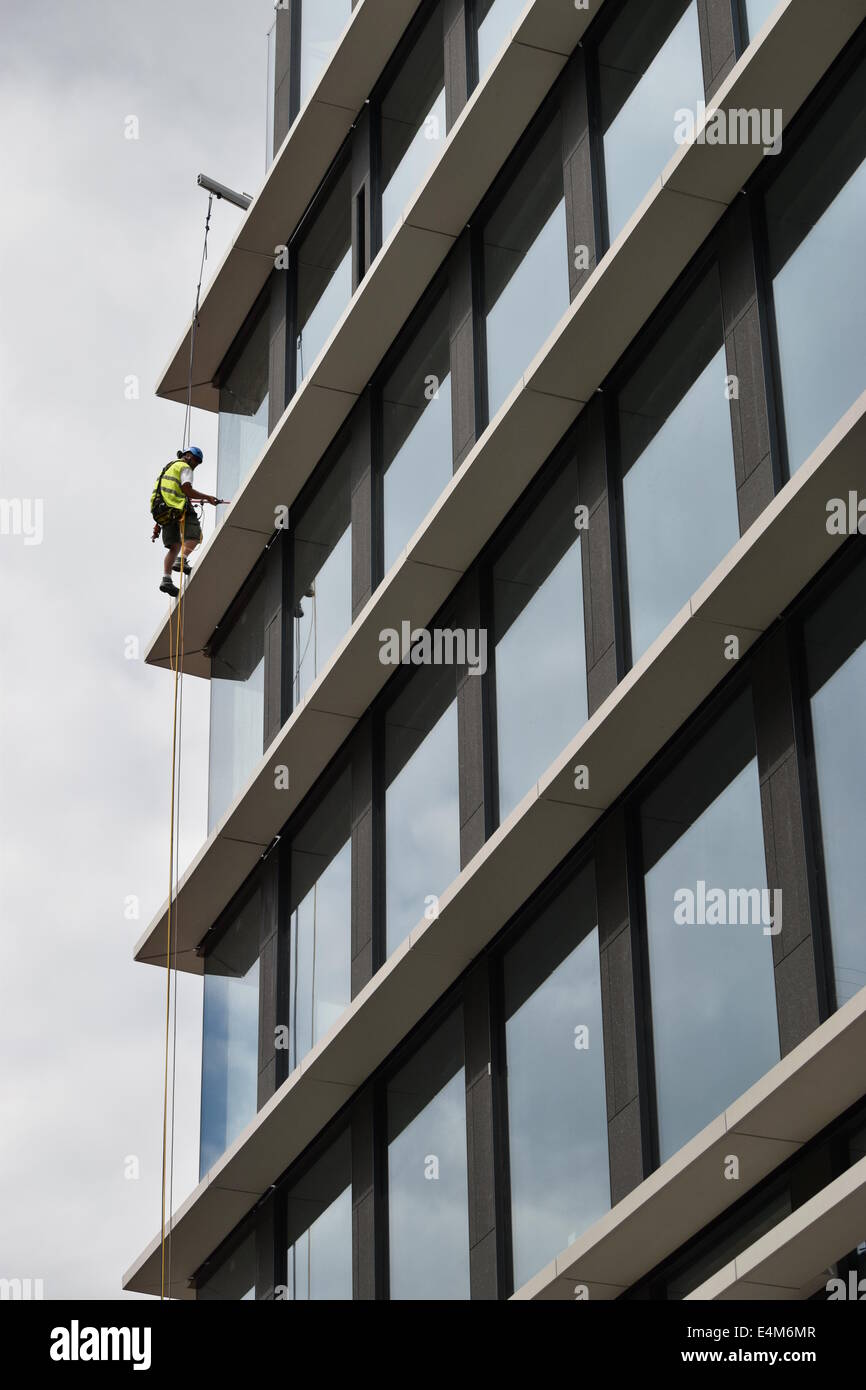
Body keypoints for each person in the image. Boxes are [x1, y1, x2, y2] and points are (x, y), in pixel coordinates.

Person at [150, 448, 224, 596]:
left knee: (175, 545)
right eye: (196, 461)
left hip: (161, 509)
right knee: (196, 536)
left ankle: (166, 579)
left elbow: (166, 492)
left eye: (198, 463)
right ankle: (181, 560)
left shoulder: (168, 468)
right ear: (188, 456)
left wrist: (158, 524)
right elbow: (186, 490)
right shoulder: (185, 467)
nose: (195, 465)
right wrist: (208, 497)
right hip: (176, 506)